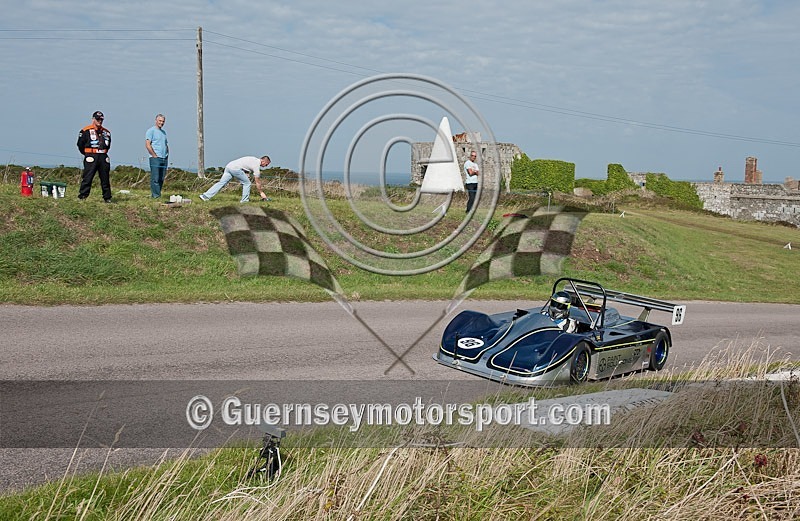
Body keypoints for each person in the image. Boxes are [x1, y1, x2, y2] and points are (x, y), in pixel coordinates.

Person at [199, 155, 271, 203]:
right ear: (263, 161)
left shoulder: (253, 159)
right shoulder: (256, 165)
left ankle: (205, 196)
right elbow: (257, 181)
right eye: (266, 164)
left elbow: (245, 166)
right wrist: (261, 192)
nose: (266, 166)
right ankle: (244, 201)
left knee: (221, 183)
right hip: (235, 169)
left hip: (229, 166)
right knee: (247, 183)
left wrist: (246, 174)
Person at [76, 110, 112, 202]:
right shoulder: (85, 131)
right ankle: (83, 196)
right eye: (98, 119)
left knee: (105, 178)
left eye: (101, 119)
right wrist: (87, 153)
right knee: (88, 176)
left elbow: (108, 145)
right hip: (91, 155)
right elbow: (80, 144)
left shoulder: (106, 132)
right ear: (93, 119)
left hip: (103, 156)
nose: (99, 121)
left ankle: (107, 197)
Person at [145, 114, 169, 198]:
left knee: (161, 178)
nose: (161, 123)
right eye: (160, 121)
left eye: (163, 121)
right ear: (156, 120)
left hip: (164, 158)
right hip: (155, 158)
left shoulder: (164, 132)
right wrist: (154, 155)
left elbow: (166, 144)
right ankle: (156, 196)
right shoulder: (150, 131)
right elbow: (148, 144)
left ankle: (158, 193)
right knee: (155, 178)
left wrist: (167, 154)